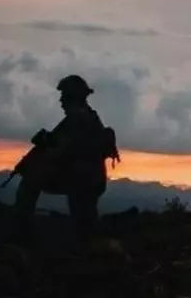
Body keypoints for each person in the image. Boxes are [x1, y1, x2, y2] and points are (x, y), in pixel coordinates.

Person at [10, 74, 118, 239]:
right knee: (85, 226)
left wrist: (39, 158)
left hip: (82, 181)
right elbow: (62, 146)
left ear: (72, 98)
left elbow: (64, 153)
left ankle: (22, 231)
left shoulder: (81, 120)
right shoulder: (81, 118)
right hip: (84, 180)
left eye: (64, 96)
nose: (61, 101)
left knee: (30, 182)